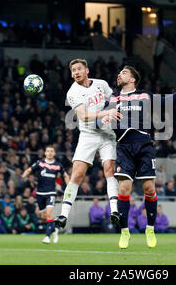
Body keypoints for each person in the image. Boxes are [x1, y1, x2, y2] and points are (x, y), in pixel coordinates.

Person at [101, 65, 176, 249]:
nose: (119, 74)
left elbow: (166, 100)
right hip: (123, 146)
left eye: (123, 72)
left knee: (149, 188)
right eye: (119, 72)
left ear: (132, 79)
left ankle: (150, 229)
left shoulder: (144, 95)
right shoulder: (114, 98)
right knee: (124, 189)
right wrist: (105, 117)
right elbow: (103, 118)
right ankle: (124, 232)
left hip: (144, 145)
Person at [55, 59, 122, 230]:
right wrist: (105, 113)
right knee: (77, 174)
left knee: (109, 168)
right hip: (88, 134)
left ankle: (114, 211)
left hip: (108, 134)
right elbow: (83, 116)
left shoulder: (101, 84)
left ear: (87, 70)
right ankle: (63, 215)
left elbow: (114, 100)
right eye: (73, 70)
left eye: (79, 69)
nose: (76, 72)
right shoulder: (73, 92)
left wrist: (111, 113)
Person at [23, 145, 69, 243]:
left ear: (54, 153)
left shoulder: (58, 165)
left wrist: (69, 186)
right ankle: (55, 229)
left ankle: (47, 237)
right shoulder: (40, 163)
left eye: (52, 151)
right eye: (48, 151)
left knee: (49, 214)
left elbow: (65, 175)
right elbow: (30, 169)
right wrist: (25, 174)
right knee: (43, 216)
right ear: (45, 153)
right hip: (39, 193)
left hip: (51, 193)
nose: (50, 153)